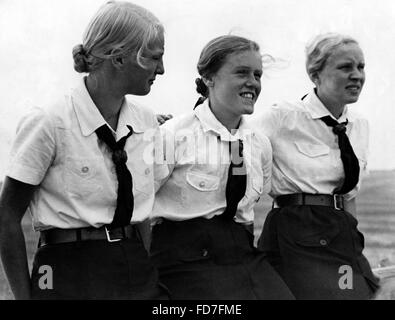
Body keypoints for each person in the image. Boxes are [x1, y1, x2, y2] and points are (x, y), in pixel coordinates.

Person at [0, 1, 168, 300]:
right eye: (155, 58)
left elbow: (141, 210)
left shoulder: (145, 123)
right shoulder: (50, 122)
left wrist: (148, 271)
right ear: (118, 58)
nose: (162, 69)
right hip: (67, 270)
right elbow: (7, 214)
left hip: (134, 267)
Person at [150, 35, 295, 300]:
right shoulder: (173, 135)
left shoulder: (258, 144)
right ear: (209, 78)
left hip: (241, 254)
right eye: (241, 72)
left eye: (257, 74)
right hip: (182, 262)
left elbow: (246, 213)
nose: (252, 82)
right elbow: (140, 209)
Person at [254, 33, 380, 299]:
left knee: (362, 294)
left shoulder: (360, 125)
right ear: (315, 74)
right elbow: (235, 139)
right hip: (295, 231)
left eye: (361, 67)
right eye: (345, 67)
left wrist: (353, 240)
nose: (357, 75)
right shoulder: (283, 117)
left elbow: (349, 196)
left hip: (339, 231)